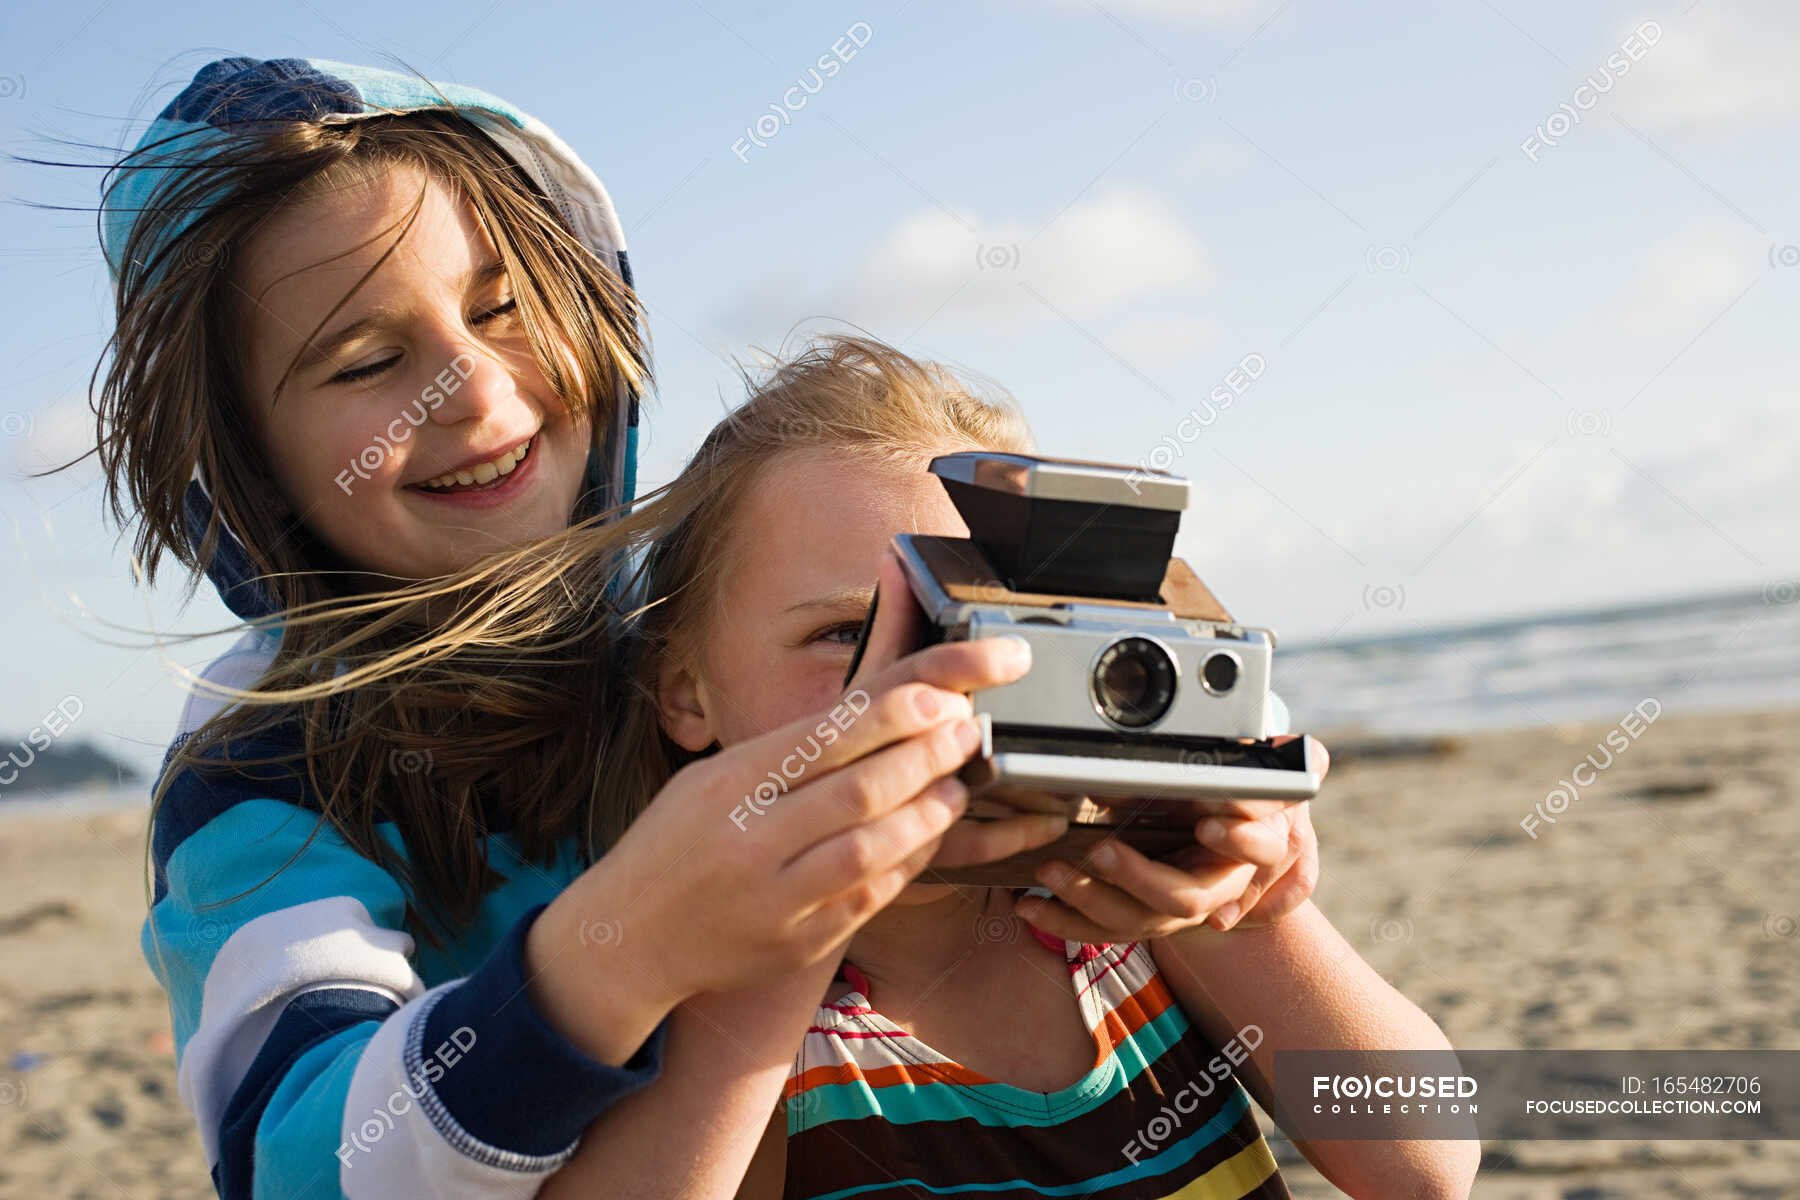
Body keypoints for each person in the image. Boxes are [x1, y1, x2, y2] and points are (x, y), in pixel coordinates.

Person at [94, 58, 1284, 1199]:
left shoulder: (694, 622)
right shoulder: (266, 754)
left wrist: (1228, 790)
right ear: (247, 464)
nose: (475, 389)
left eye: (505, 307)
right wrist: (620, 950)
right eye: (367, 361)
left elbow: (1428, 1138)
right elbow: (295, 1166)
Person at [544, 336, 1480, 1198]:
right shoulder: (734, 1017)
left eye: (982, 630)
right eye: (847, 635)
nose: (924, 683)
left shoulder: (1126, 918)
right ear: (684, 691)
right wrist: (806, 894)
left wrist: (1256, 917)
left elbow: (1421, 1166)